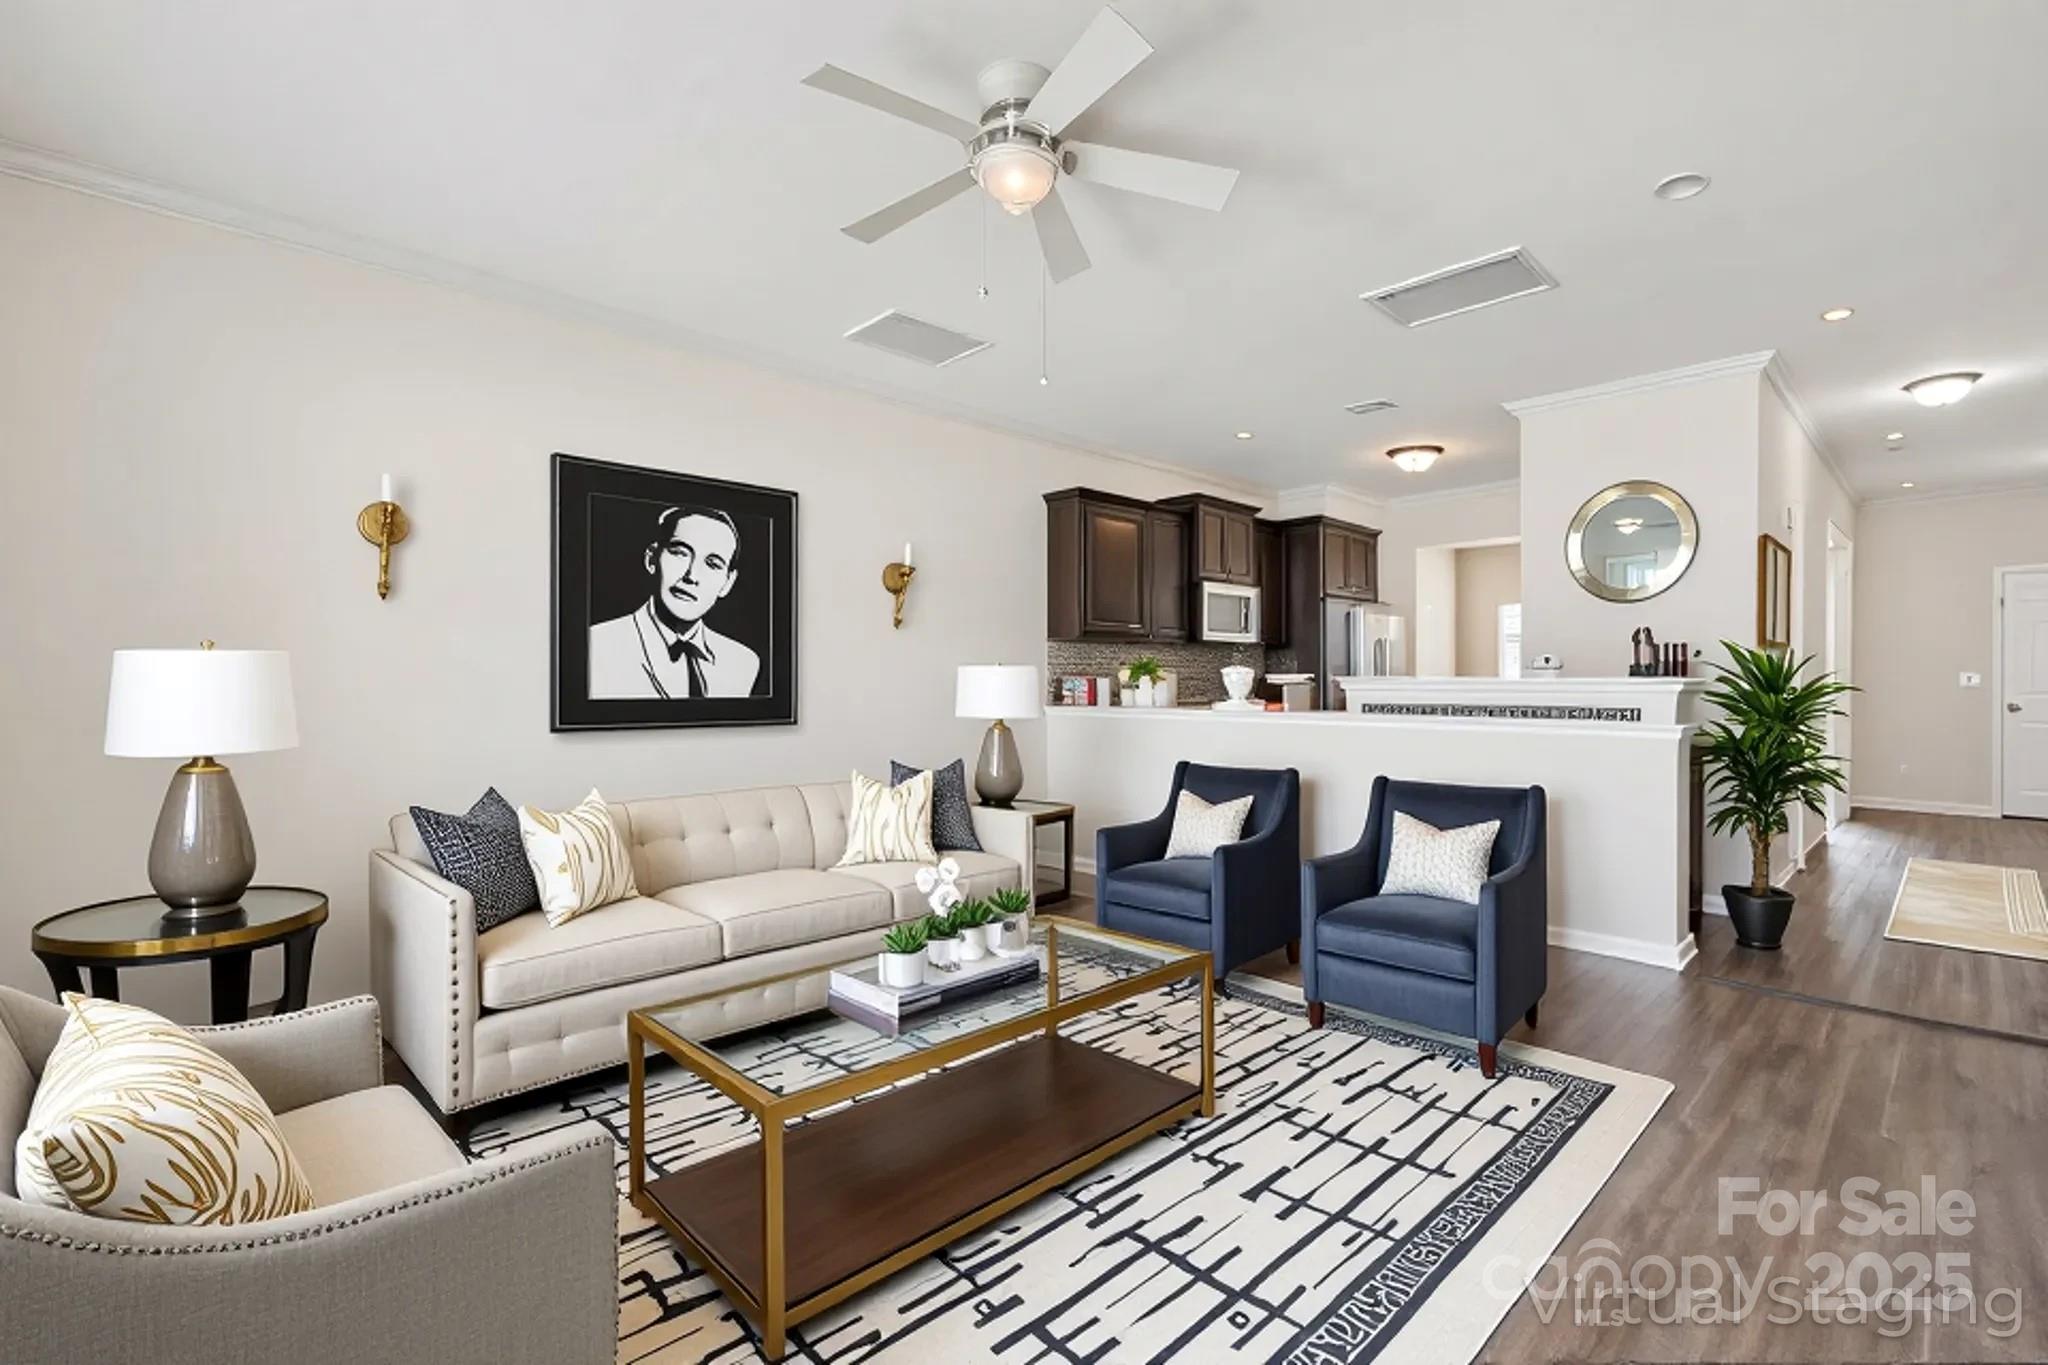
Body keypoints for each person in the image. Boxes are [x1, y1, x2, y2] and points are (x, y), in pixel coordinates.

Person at [587, 505, 761, 699]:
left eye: (713, 564)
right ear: (652, 558)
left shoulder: (743, 662)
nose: (692, 576)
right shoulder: (595, 645)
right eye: (680, 553)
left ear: (727, 583)